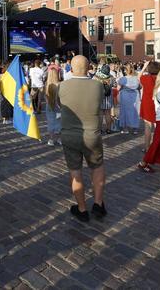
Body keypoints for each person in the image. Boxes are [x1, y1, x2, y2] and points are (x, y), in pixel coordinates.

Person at [58, 55, 107, 222]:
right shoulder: (98, 86)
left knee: (75, 173)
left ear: (71, 69)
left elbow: (59, 105)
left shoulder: (61, 86)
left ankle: (82, 208)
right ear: (89, 68)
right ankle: (98, 204)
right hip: (92, 135)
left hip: (69, 136)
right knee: (97, 168)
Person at [140, 61, 160, 151]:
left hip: (147, 103)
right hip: (158, 104)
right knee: (158, 126)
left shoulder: (145, 78)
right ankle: (159, 147)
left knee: (148, 126)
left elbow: (139, 77)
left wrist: (144, 67)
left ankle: (147, 147)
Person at [117, 64, 141, 134]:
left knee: (124, 112)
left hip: (125, 97)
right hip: (135, 96)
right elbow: (139, 87)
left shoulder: (123, 79)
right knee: (135, 112)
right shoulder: (136, 78)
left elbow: (118, 88)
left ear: (125, 70)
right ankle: (135, 129)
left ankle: (125, 129)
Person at [94, 65, 115, 134]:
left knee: (100, 114)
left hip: (99, 97)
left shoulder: (96, 77)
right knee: (107, 114)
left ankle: (99, 130)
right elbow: (114, 85)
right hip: (108, 98)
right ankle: (108, 129)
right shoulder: (111, 77)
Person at [44, 66, 62, 146]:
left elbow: (45, 97)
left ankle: (51, 140)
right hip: (58, 106)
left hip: (49, 106)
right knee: (59, 123)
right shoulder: (59, 84)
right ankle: (59, 139)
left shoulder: (46, 84)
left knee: (50, 123)